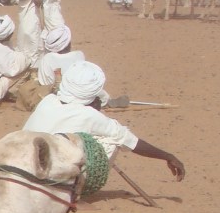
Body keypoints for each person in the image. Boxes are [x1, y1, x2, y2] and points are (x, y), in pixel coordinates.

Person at [23, 61, 185, 180]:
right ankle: (73, 189)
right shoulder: (89, 115)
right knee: (111, 141)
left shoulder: (48, 100)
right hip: (46, 176)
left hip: (22, 163)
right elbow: (131, 142)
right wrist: (167, 156)